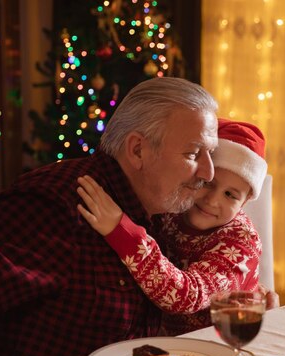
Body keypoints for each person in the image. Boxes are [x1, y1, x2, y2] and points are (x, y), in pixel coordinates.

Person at [0, 77, 219, 356]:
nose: (208, 171)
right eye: (193, 154)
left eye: (211, 154)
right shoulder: (58, 205)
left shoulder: (166, 211)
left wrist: (236, 297)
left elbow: (183, 292)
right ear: (137, 150)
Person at [76, 118, 269, 335]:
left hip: (220, 345)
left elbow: (186, 296)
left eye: (230, 195)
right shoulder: (173, 208)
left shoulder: (240, 242)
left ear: (243, 203)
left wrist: (121, 231)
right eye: (207, 184)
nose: (212, 201)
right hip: (166, 340)